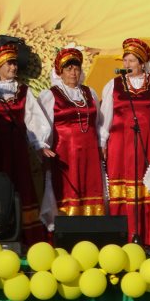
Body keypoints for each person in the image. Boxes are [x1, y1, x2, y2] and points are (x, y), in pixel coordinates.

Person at [98, 38, 150, 246]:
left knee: (149, 189)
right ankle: (123, 239)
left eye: (132, 60)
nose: (127, 64)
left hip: (149, 145)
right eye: (125, 60)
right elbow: (105, 117)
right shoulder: (113, 85)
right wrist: (102, 143)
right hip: (120, 146)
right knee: (124, 191)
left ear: (142, 63)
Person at [0, 44, 52, 244]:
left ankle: (26, 238)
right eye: (9, 64)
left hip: (17, 149)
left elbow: (34, 121)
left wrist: (40, 145)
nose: (13, 67)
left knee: (21, 188)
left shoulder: (24, 92)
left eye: (14, 64)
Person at [38, 48, 105, 224]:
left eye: (76, 68)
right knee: (67, 190)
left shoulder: (89, 93)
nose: (73, 72)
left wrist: (101, 145)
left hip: (89, 151)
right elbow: (43, 124)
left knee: (90, 188)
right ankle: (66, 228)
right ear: (60, 72)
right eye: (68, 69)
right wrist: (43, 145)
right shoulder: (51, 95)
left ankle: (93, 229)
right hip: (65, 152)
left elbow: (97, 122)